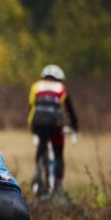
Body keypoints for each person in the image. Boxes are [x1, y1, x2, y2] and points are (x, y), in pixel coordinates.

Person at [27, 64, 79, 194]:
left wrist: (32, 127)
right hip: (54, 124)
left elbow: (31, 106)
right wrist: (74, 125)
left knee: (42, 146)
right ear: (59, 78)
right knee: (58, 153)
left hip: (37, 123)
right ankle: (58, 185)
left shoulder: (36, 86)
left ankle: (38, 171)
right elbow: (69, 110)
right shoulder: (61, 87)